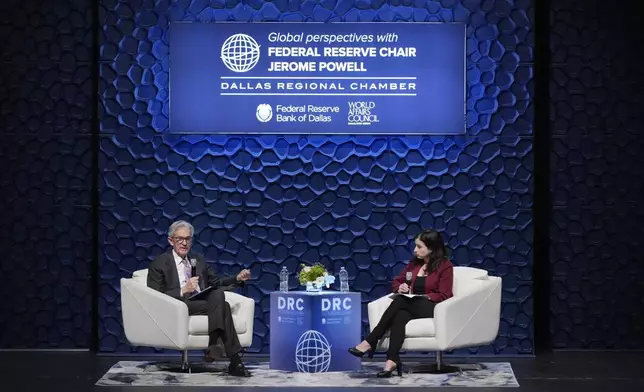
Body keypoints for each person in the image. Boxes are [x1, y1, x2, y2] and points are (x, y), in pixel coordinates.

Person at [147, 220, 252, 377]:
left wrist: (237, 278)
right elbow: (154, 296)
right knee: (222, 305)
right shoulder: (159, 264)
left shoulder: (198, 259)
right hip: (177, 305)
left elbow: (216, 283)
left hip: (200, 302)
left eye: (188, 239)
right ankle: (233, 360)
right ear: (171, 241)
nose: (184, 243)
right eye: (179, 239)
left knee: (218, 296)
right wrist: (183, 290)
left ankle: (214, 346)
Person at [348, 229, 454, 377]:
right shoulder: (414, 264)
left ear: (431, 248)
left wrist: (424, 297)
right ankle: (391, 360)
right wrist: (400, 287)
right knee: (400, 315)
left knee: (400, 300)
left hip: (433, 307)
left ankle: (371, 340)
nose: (415, 250)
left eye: (419, 247)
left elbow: (445, 294)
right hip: (411, 305)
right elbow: (398, 280)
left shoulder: (445, 266)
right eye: (415, 246)